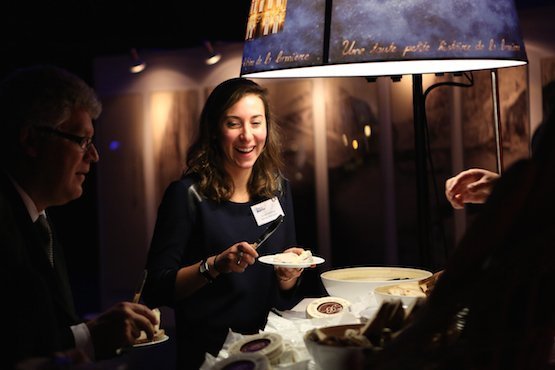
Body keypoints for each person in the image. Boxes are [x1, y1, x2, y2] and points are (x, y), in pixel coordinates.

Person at [142, 77, 312, 369]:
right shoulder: (187, 195)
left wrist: (289, 276)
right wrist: (216, 265)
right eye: (233, 124)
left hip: (271, 348)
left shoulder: (278, 188)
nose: (247, 135)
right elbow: (158, 287)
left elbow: (282, 282)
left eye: (256, 123)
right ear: (214, 131)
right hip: (210, 354)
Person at [0, 65, 159, 369]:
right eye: (82, 140)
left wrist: (92, 329)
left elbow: (41, 325)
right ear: (31, 141)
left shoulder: (40, 219)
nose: (94, 155)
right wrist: (87, 335)